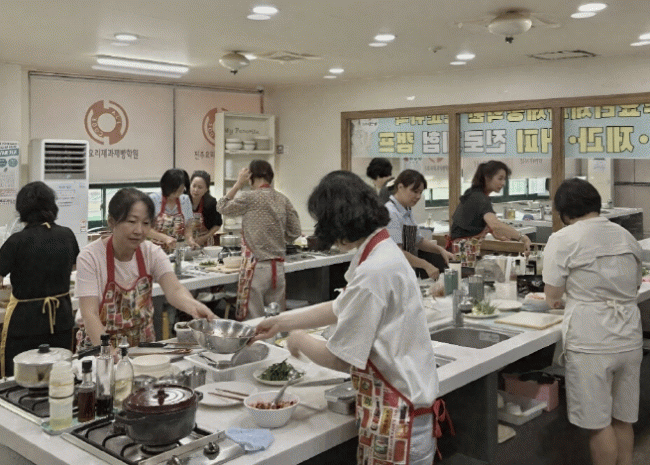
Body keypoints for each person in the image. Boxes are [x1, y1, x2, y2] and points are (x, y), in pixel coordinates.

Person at [253, 171, 440, 465]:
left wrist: (299, 340)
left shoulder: (374, 271)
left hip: (398, 419)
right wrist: (282, 322)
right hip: (401, 410)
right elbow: (343, 305)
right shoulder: (380, 249)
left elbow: (342, 358)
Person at [543, 178, 643, 465]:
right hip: (629, 335)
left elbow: (552, 296)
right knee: (623, 418)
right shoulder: (625, 236)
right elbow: (635, 284)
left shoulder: (563, 239)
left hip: (591, 340)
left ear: (564, 212)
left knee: (598, 423)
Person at [75, 188, 215, 349]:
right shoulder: (90, 257)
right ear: (112, 222)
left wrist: (195, 307)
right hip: (99, 348)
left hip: (142, 349)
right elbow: (90, 314)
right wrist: (108, 352)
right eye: (131, 221)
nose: (139, 230)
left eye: (146, 223)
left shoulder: (151, 252)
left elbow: (175, 290)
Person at [0, 181, 79, 377]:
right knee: (59, 374)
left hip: (25, 322)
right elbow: (74, 268)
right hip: (61, 319)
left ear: (22, 210)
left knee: (21, 377)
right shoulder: (67, 235)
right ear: (52, 206)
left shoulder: (16, 241)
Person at [217, 160, 301, 320]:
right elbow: (295, 231)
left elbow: (221, 206)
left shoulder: (249, 197)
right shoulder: (283, 199)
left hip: (257, 267)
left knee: (254, 321)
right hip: (278, 267)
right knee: (276, 320)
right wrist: (277, 236)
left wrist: (238, 184)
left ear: (251, 177)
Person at [448, 161, 531, 264]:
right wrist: (522, 237)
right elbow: (495, 224)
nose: (503, 183)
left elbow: (477, 220)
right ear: (487, 177)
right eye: (500, 178)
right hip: (461, 253)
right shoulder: (480, 198)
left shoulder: (474, 193)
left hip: (461, 251)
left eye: (504, 179)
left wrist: (493, 232)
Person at [385, 169, 453, 280]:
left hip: (406, 272)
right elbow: (397, 252)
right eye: (415, 191)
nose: (418, 196)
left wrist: (441, 250)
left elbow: (418, 241)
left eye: (420, 192)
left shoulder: (407, 211)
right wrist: (425, 265)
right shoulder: (391, 212)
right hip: (392, 274)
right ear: (400, 187)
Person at [147, 168, 197, 253]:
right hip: (154, 250)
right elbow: (146, 229)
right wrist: (165, 238)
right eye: (174, 191)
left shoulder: (185, 200)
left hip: (177, 250)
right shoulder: (153, 199)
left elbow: (188, 226)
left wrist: (190, 240)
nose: (178, 194)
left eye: (181, 190)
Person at [189, 170, 223, 247]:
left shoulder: (211, 202)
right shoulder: (183, 200)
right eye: (194, 186)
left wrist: (204, 238)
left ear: (206, 189)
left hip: (204, 241)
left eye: (200, 187)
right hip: (185, 241)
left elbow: (217, 224)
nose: (195, 190)